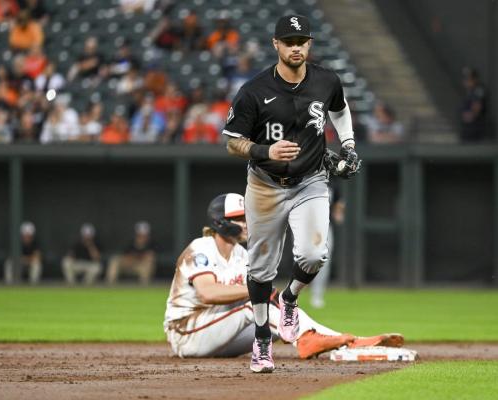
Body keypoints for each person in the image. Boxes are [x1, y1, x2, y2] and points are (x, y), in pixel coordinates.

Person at [222, 15, 361, 372]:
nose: (296, 47)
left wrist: (347, 145)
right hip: (265, 185)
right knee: (260, 267)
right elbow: (232, 143)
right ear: (276, 45)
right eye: (289, 41)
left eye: (301, 41)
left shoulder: (327, 80)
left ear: (309, 44)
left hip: (311, 181)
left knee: (315, 254)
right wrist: (265, 151)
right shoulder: (254, 90)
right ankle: (262, 341)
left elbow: (340, 110)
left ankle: (290, 298)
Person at [164, 194, 402, 363]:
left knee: (280, 323)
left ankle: (347, 340)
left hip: (217, 331)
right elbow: (209, 293)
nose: (248, 223)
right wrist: (257, 291)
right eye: (240, 218)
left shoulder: (241, 254)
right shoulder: (201, 248)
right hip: (186, 332)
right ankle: (314, 340)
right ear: (220, 223)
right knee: (255, 302)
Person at [309, 182, 345, 308]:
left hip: (324, 226)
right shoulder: (303, 179)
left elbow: (338, 204)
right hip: (304, 226)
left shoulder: (332, 184)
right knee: (300, 261)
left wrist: (338, 211)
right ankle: (292, 296)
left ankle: (317, 295)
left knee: (323, 261)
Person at [459, 66, 488, 142]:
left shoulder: (478, 90)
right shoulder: (469, 92)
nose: (466, 81)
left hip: (474, 128)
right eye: (465, 79)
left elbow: (477, 106)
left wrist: (471, 115)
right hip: (468, 128)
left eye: (469, 79)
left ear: (475, 79)